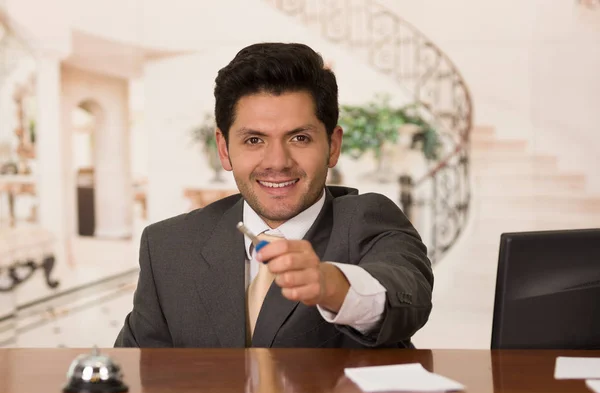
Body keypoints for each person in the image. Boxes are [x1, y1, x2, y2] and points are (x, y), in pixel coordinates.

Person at [115, 42, 433, 349]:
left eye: (300, 137)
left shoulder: (368, 220)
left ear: (333, 146)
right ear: (224, 150)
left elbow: (407, 296)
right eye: (254, 140)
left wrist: (332, 284)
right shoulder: (168, 245)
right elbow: (133, 378)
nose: (277, 162)